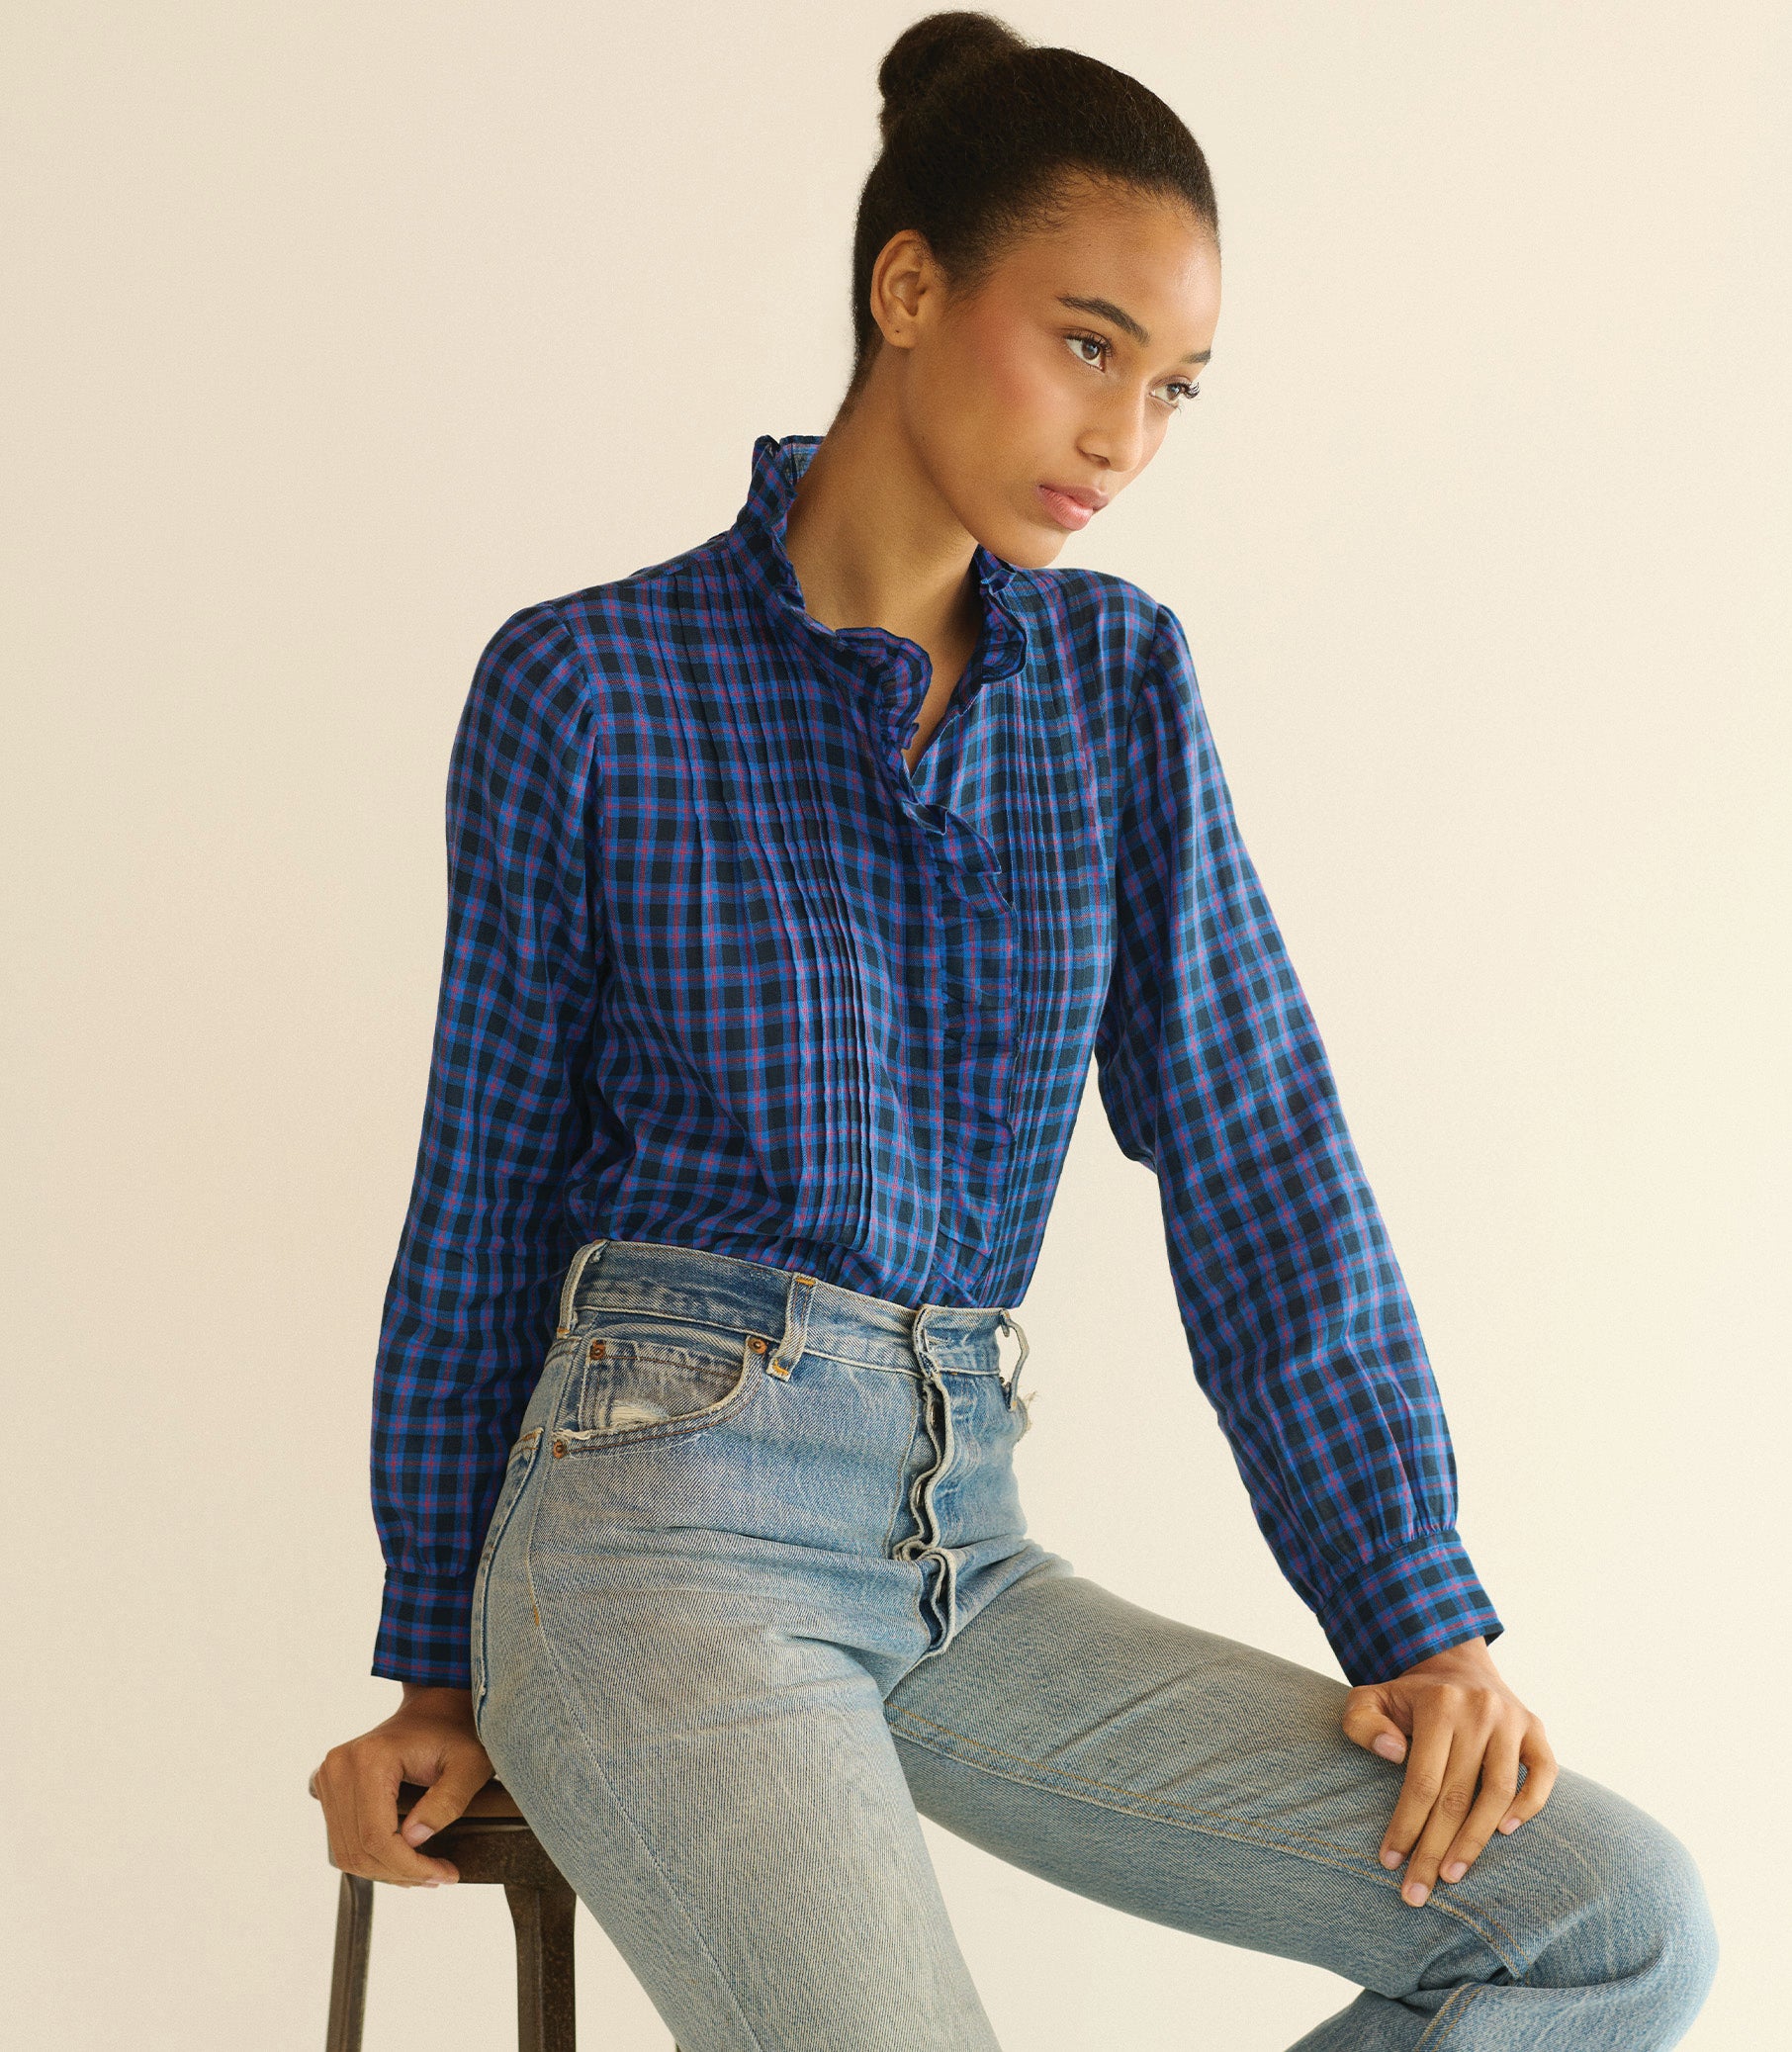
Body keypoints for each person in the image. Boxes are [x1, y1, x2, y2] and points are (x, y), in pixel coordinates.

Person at [311, 13, 1718, 2047]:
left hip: (962, 1547)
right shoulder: (593, 686)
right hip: (654, 1541)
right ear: (909, 288)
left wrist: (1419, 1616)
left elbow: (1255, 1153)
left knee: (1609, 1920)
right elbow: (481, 1198)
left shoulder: (1119, 688)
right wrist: (429, 1676)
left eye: (1174, 387)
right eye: (1085, 343)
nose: (1125, 432)